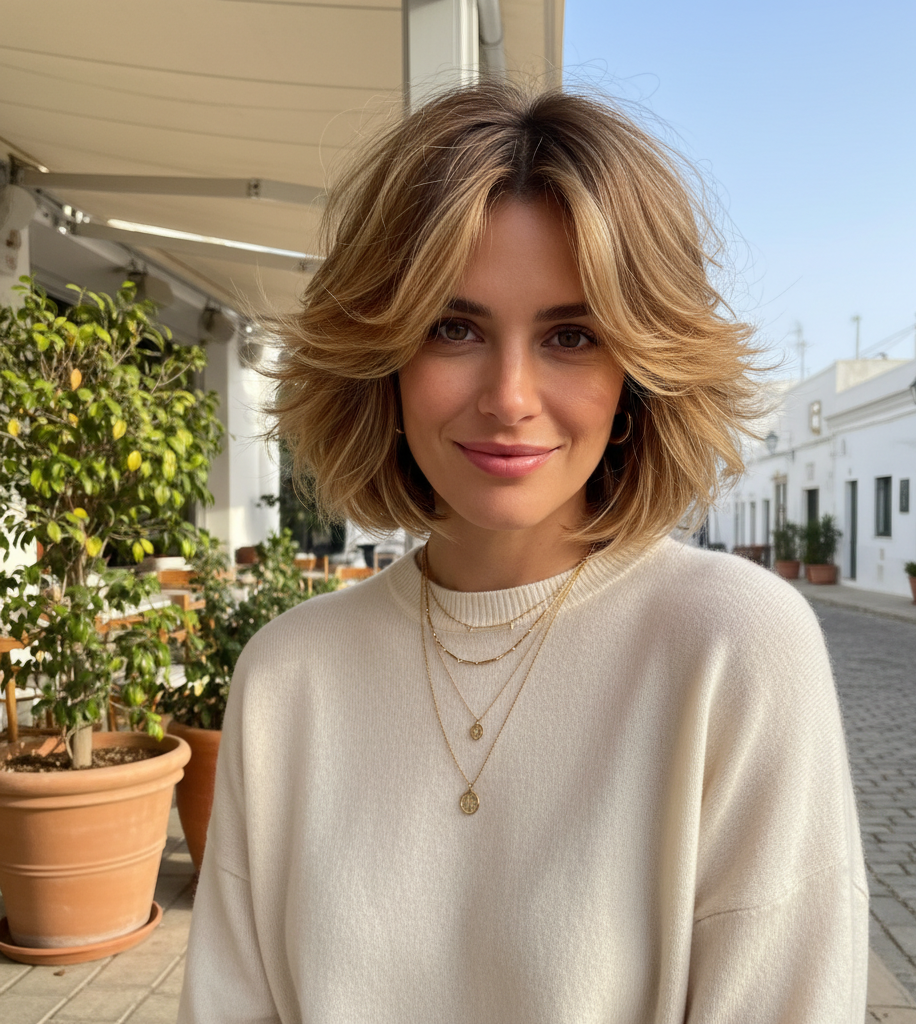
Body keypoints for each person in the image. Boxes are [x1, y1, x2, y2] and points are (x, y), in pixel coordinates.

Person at [178, 82, 868, 1023]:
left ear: (639, 374)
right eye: (453, 328)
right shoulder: (287, 675)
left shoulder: (734, 647)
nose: (508, 397)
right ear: (382, 356)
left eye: (571, 336)